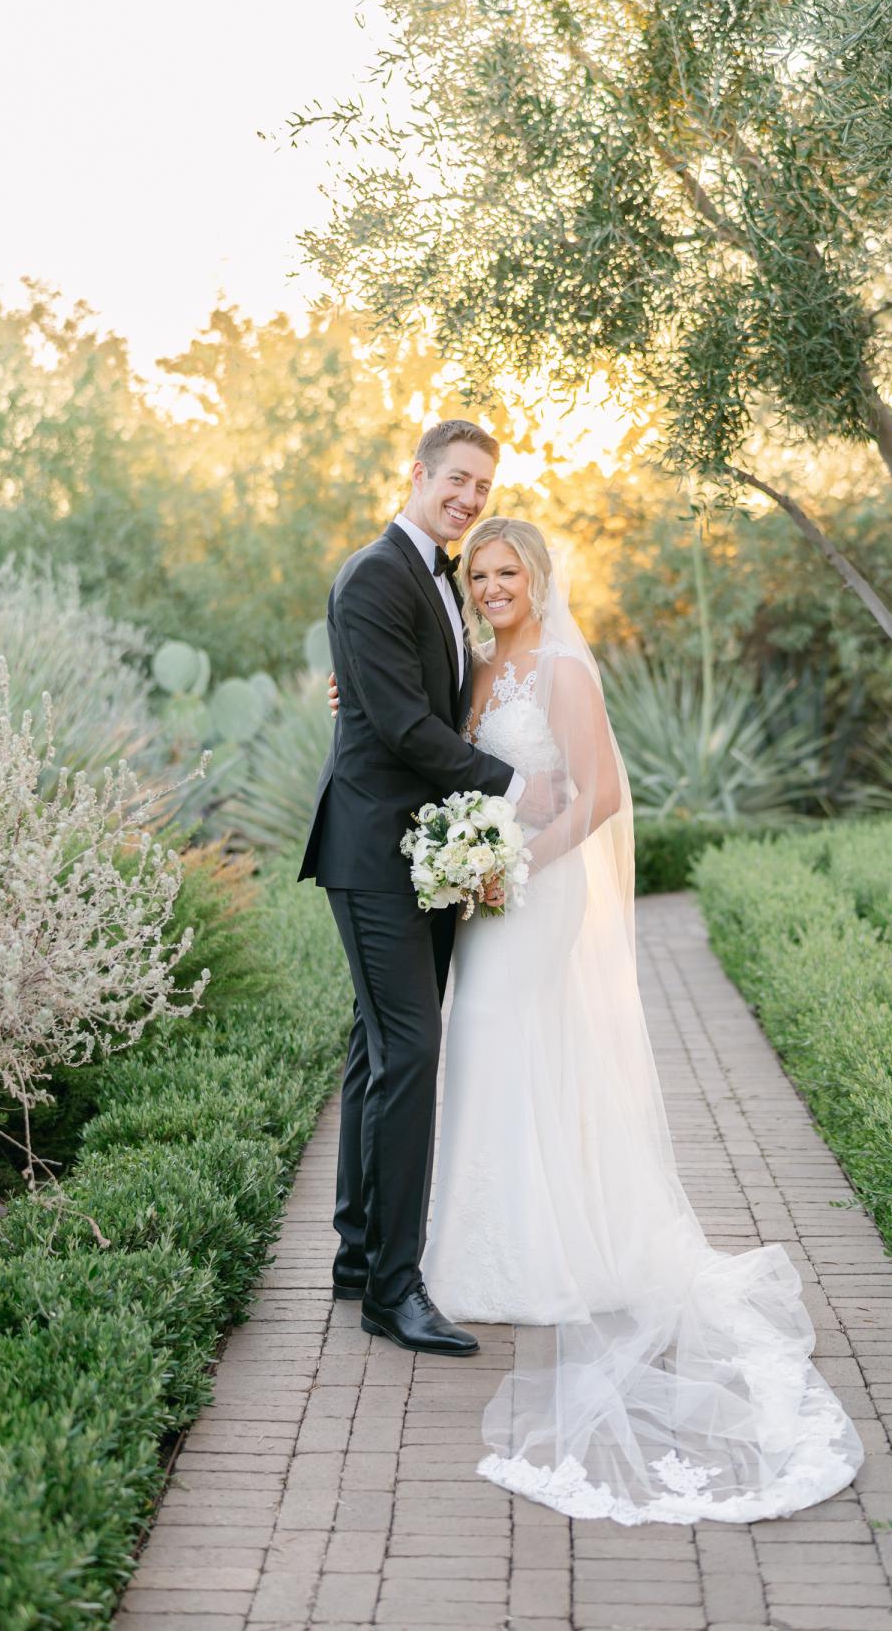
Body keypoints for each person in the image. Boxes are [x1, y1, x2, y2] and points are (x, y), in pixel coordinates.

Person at [326, 515, 866, 1526]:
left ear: (538, 576)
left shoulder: (566, 671)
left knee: (514, 1044)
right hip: (487, 897)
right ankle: (463, 1247)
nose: (492, 587)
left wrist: (519, 866)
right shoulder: (482, 668)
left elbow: (603, 794)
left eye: (507, 573)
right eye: (480, 573)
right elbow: (433, 739)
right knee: (479, 1054)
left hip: (537, 890)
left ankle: (538, 1249)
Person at [296, 423, 562, 1359]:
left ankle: (359, 1255)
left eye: (482, 484)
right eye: (456, 478)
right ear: (417, 475)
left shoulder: (439, 576)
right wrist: (513, 787)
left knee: (380, 1050)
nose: (468, 495)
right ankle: (393, 1295)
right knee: (411, 1050)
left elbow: (414, 697)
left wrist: (362, 696)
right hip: (373, 850)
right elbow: (407, 725)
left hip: (418, 851)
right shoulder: (376, 572)